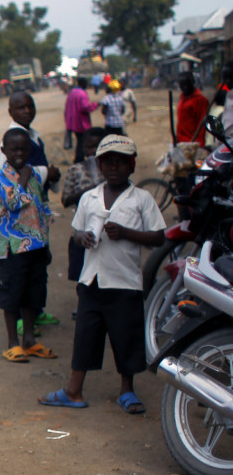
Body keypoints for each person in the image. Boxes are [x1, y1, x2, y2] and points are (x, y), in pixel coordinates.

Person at [39, 135, 166, 413]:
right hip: (91, 281)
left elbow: (158, 237)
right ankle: (73, 390)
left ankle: (127, 390)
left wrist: (126, 233)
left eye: (121, 162)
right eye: (108, 162)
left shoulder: (141, 200)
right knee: (85, 336)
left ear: (132, 166)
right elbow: (75, 233)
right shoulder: (90, 197)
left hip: (125, 283)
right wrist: (82, 237)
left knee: (126, 337)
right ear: (99, 165)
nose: (114, 167)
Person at [0, 128, 54, 362]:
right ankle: (12, 343)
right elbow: (13, 202)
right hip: (12, 248)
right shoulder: (0, 177)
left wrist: (46, 242)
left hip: (35, 246)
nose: (20, 153)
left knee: (32, 294)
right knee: (12, 295)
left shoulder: (35, 176)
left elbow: (42, 208)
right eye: (14, 149)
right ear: (4, 150)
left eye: (24, 149)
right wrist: (24, 177)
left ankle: (29, 340)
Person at [62, 127, 108, 284]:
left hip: (106, 228)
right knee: (82, 271)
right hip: (83, 227)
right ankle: (82, 305)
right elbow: (65, 200)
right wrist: (88, 190)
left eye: (98, 147)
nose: (94, 151)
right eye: (90, 147)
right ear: (83, 148)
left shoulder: (111, 171)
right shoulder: (76, 170)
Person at [64, 76, 98, 162]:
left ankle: (79, 159)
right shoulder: (82, 94)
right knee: (82, 143)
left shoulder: (72, 92)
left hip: (72, 122)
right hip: (81, 123)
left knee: (80, 141)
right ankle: (79, 160)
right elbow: (85, 108)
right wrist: (95, 105)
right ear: (83, 84)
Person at [176, 71, 209, 146]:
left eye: (187, 84)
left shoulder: (200, 100)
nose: (185, 87)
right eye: (182, 85)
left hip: (193, 143)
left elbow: (202, 126)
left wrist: (199, 145)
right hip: (181, 142)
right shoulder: (183, 98)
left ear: (192, 83)